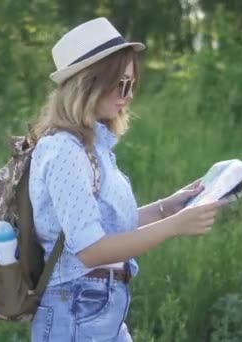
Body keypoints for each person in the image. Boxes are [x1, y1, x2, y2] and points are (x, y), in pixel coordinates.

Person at [28, 17, 226, 341]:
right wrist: (175, 227)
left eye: (132, 85)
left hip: (100, 308)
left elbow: (106, 226)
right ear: (88, 84)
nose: (129, 95)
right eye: (121, 85)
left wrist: (167, 208)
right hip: (75, 309)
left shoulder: (93, 144)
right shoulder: (64, 150)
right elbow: (91, 249)